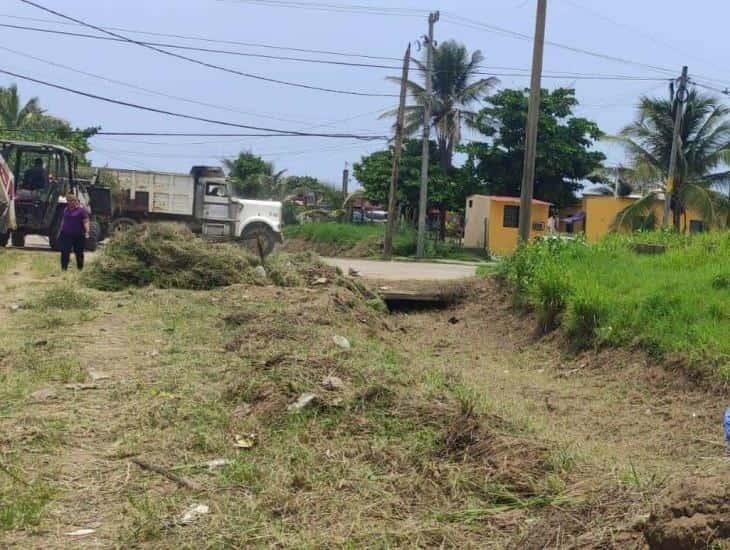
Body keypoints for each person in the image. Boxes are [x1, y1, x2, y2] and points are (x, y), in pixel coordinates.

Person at [59, 194, 90, 271]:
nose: (70, 202)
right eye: (68, 201)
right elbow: (63, 220)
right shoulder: (66, 210)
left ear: (75, 201)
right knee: (65, 251)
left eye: (72, 201)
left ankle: (80, 268)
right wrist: (60, 230)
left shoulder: (82, 211)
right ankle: (64, 268)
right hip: (66, 234)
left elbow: (86, 222)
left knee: (79, 252)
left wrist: (87, 231)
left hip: (78, 235)